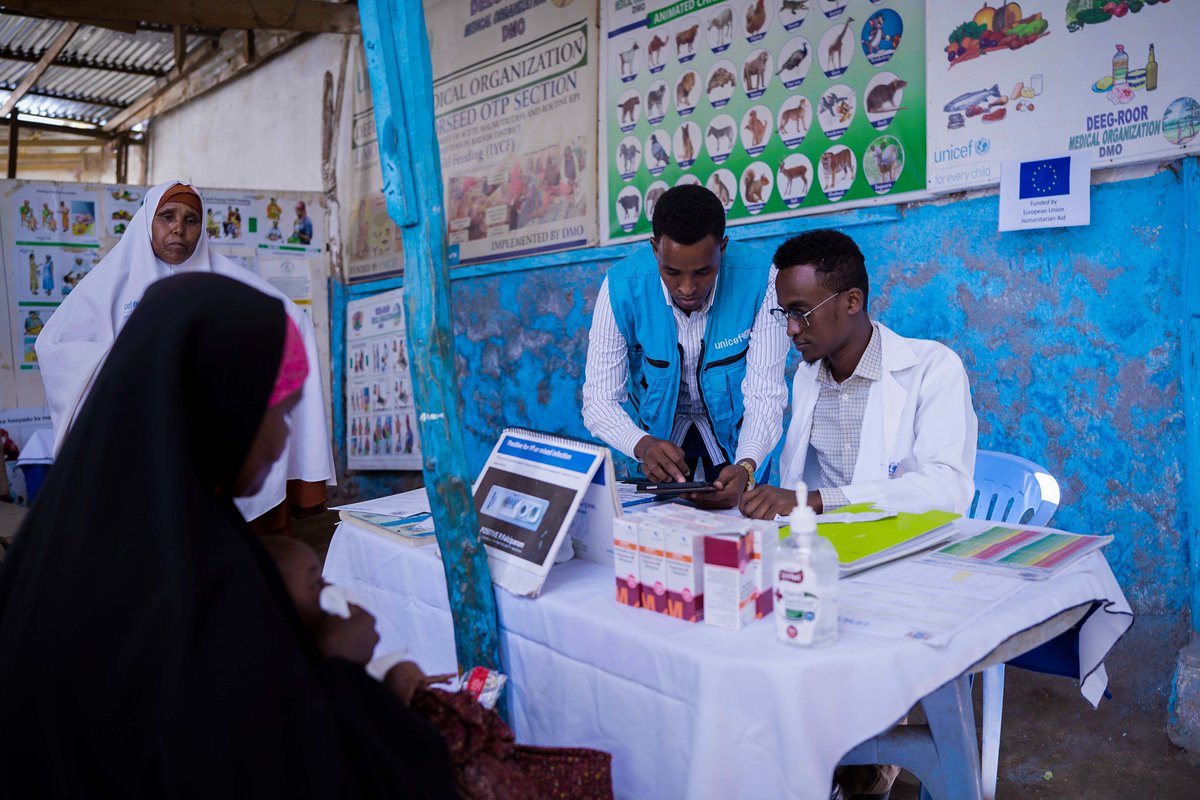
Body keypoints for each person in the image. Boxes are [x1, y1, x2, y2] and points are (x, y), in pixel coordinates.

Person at [0, 273, 458, 798]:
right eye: (280, 413)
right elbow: (283, 765)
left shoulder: (68, 525)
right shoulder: (198, 581)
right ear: (218, 407)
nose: (287, 437)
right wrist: (343, 664)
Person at [35, 180, 335, 533]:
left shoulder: (228, 280)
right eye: (168, 216)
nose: (179, 227)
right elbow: (55, 346)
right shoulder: (108, 284)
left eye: (191, 219)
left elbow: (291, 322)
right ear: (148, 221)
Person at [263, 534, 615, 800]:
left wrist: (390, 677)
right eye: (315, 584)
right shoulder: (285, 703)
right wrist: (345, 661)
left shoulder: (319, 664)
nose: (329, 591)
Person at [740, 229, 977, 523]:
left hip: (908, 544)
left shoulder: (934, 369)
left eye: (801, 312)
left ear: (852, 301)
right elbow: (800, 483)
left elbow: (948, 489)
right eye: (785, 314)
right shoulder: (807, 377)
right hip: (829, 544)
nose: (791, 329)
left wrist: (816, 501)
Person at [582, 184, 789, 509]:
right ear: (655, 250)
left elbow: (766, 395)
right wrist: (641, 444)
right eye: (672, 271)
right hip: (655, 449)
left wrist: (747, 467)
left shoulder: (762, 281)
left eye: (704, 271)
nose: (688, 287)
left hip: (738, 444)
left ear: (722, 248)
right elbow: (599, 400)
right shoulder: (621, 288)